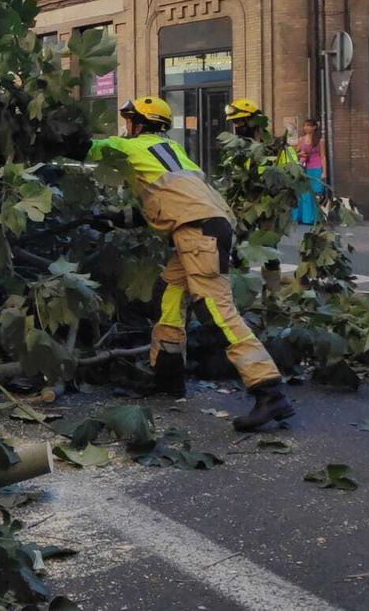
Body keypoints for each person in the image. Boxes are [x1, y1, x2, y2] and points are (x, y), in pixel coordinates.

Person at [89, 96, 294, 431]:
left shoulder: (131, 147)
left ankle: (269, 391)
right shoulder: (172, 153)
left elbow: (88, 149)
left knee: (215, 310)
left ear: (139, 124)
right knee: (169, 294)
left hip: (197, 232)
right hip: (205, 226)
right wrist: (116, 218)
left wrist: (53, 138)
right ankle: (168, 376)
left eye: (129, 121)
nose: (126, 127)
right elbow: (168, 201)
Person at [223, 99, 301, 291]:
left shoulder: (278, 147)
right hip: (244, 204)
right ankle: (241, 289)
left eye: (241, 123)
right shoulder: (236, 149)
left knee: (270, 249)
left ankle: (273, 292)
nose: (238, 127)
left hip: (270, 205)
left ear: (255, 121)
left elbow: (292, 173)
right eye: (235, 124)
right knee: (238, 247)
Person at [294, 119, 325, 225]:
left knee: (315, 192)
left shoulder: (320, 140)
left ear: (314, 127)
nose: (306, 128)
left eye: (308, 126)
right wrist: (300, 154)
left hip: (316, 167)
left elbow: (323, 156)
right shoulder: (301, 140)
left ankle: (315, 218)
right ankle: (305, 218)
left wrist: (324, 171)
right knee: (304, 192)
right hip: (304, 167)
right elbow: (295, 153)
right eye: (305, 126)